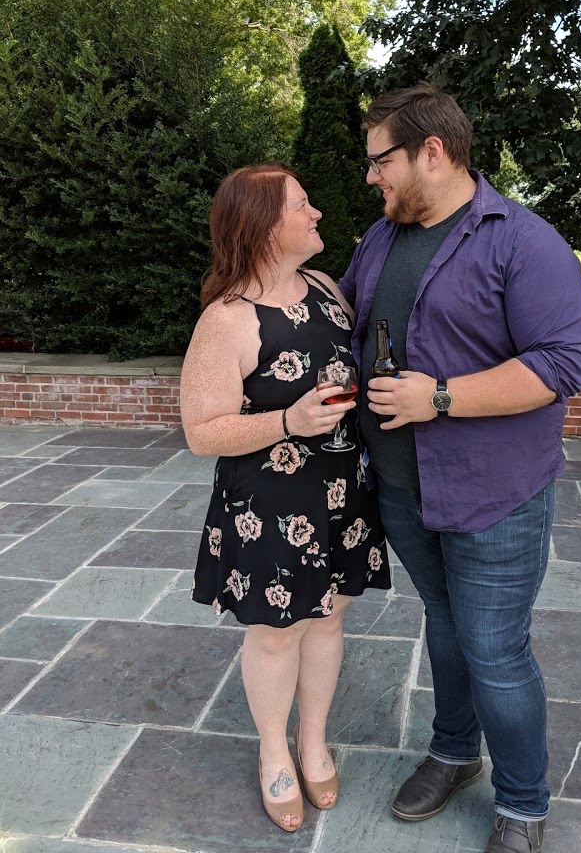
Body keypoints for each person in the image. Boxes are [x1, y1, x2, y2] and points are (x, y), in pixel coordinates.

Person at [338, 85, 581, 853]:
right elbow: (345, 318)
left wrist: (439, 397)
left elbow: (563, 363)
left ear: (433, 152)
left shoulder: (521, 240)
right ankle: (454, 751)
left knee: (494, 648)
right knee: (445, 629)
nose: (372, 176)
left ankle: (522, 803)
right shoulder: (380, 239)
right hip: (401, 487)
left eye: (380, 160)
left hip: (493, 496)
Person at [181, 164, 390, 833]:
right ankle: (275, 750)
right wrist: (286, 422)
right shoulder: (228, 320)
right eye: (303, 205)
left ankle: (313, 739)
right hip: (270, 505)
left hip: (342, 495)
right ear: (266, 227)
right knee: (278, 633)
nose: (317, 214)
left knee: (328, 619)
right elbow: (201, 432)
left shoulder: (329, 290)